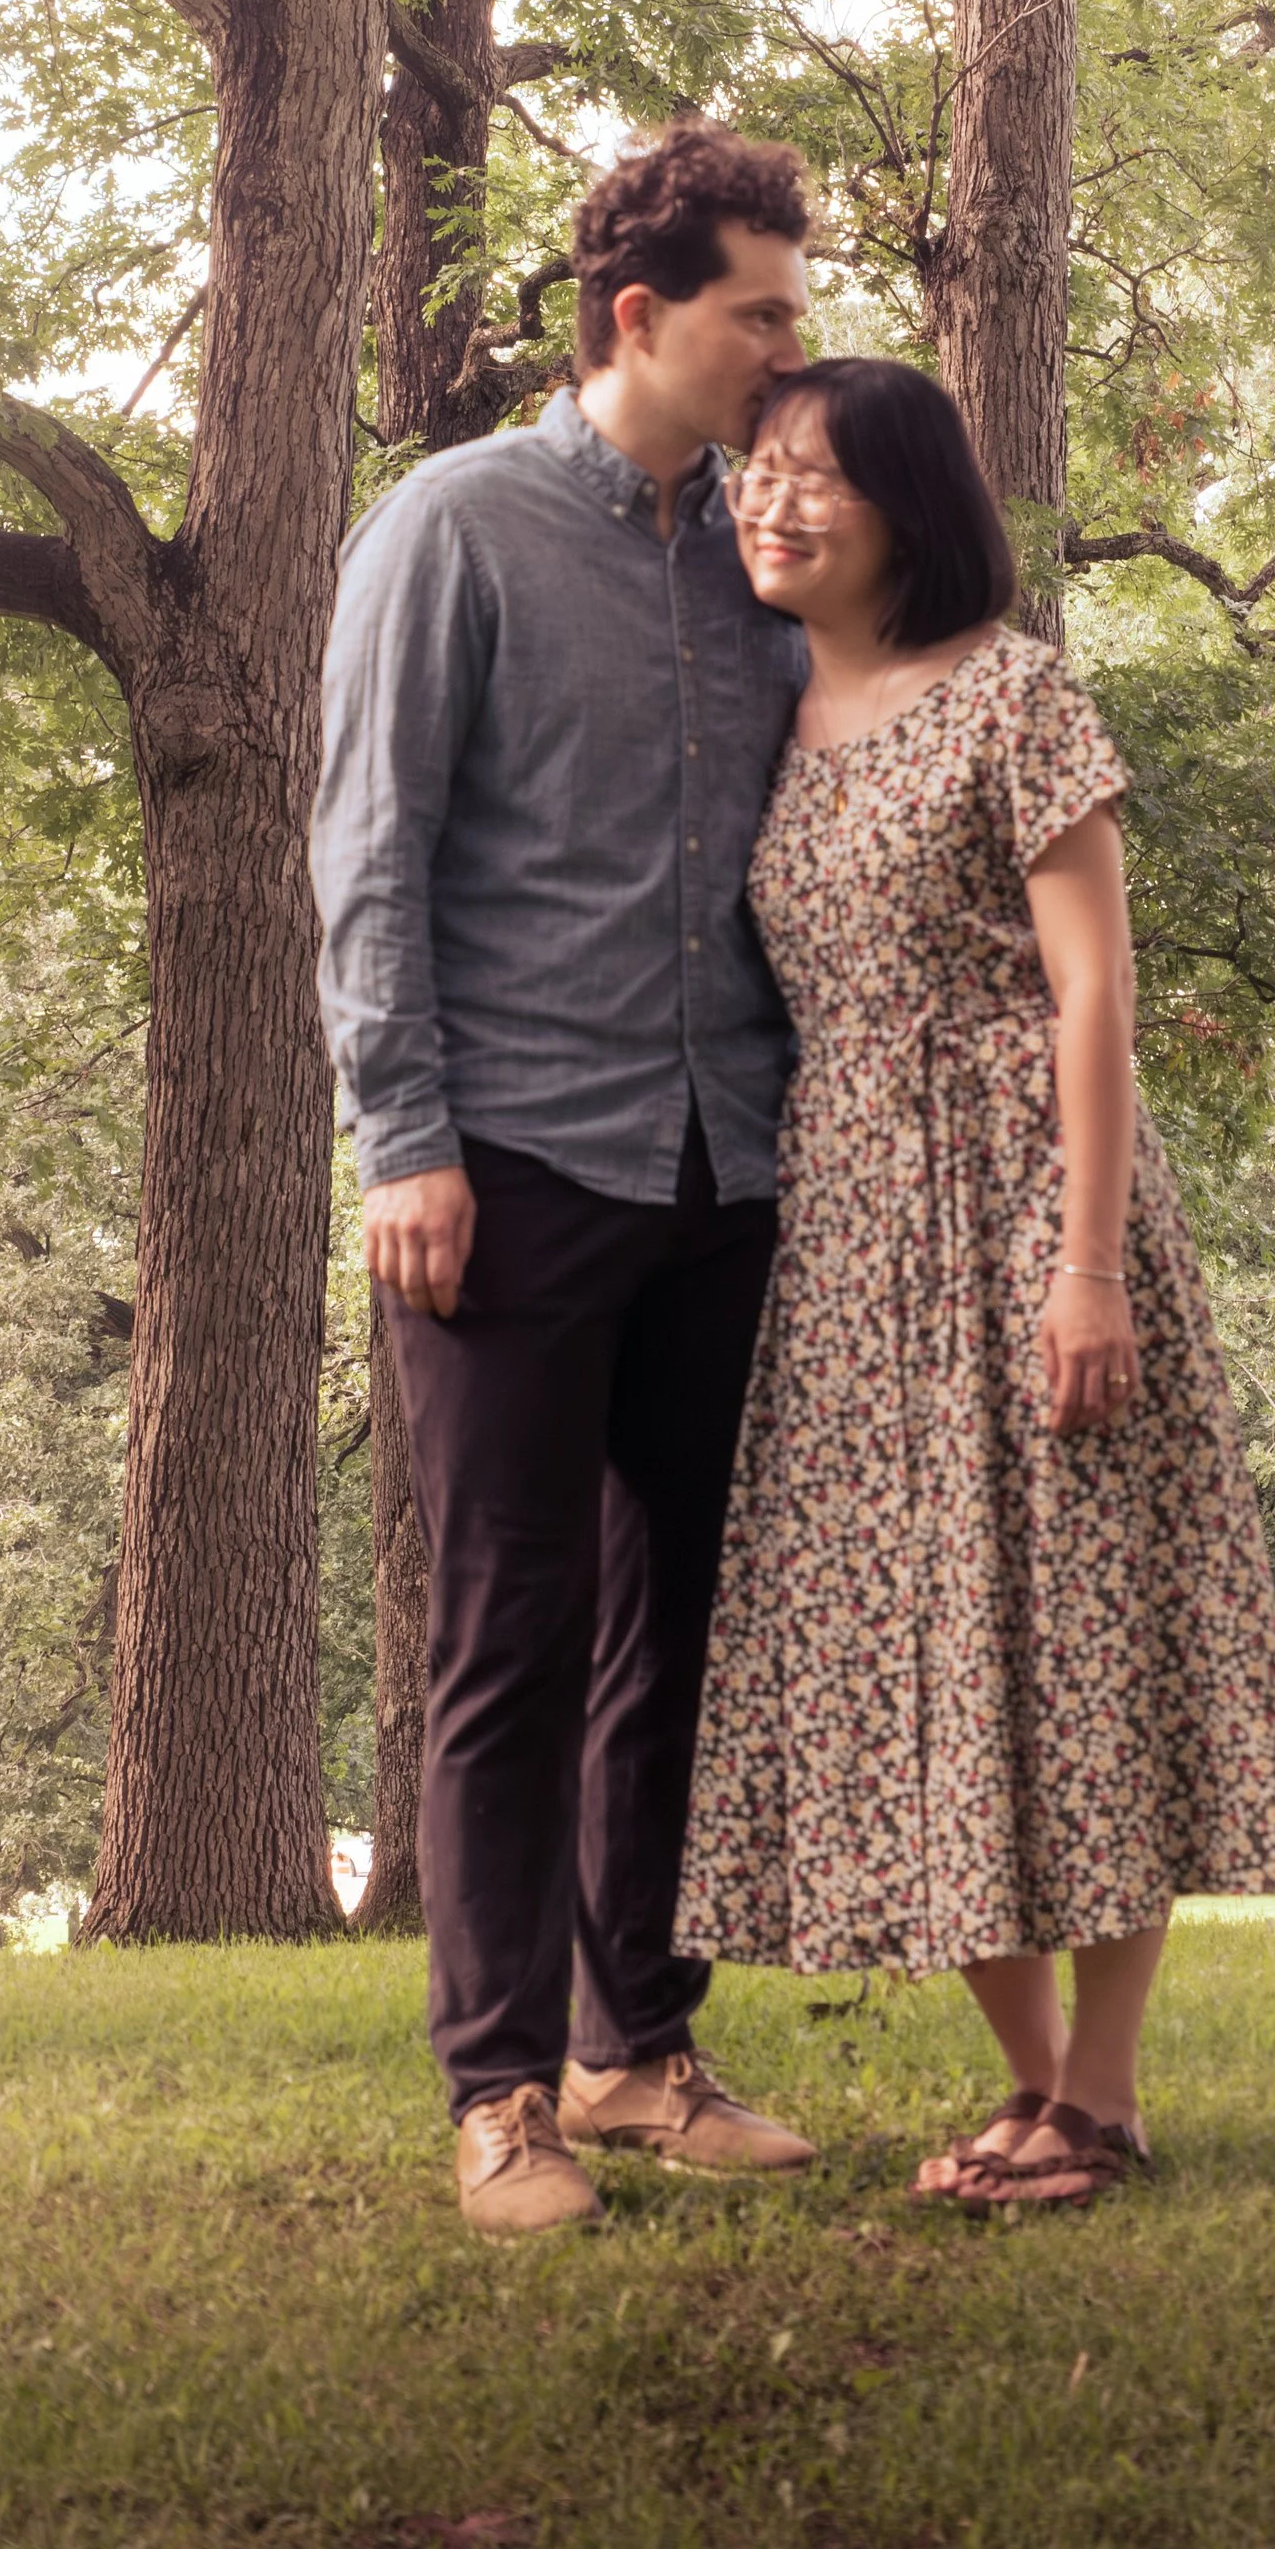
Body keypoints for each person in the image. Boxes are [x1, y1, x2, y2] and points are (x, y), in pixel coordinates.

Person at [676, 357, 1275, 2207]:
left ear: (910, 507)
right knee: (923, 1656)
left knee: (1081, 1628)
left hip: (1029, 1200)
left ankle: (1101, 2094)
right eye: (757, 469)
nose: (772, 501)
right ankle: (1037, 2091)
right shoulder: (768, 710)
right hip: (848, 1241)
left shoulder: (1014, 688)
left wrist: (1088, 1263)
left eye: (817, 475)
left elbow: (1093, 987)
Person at [310, 119, 825, 2237]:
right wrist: (403, 1141)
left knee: (671, 1636)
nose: (789, 351)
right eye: (759, 314)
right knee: (508, 1637)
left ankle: (635, 2054)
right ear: (639, 315)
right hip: (508, 1168)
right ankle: (498, 2092)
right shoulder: (453, 526)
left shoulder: (766, 560)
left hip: (727, 1169)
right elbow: (371, 854)